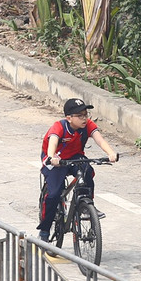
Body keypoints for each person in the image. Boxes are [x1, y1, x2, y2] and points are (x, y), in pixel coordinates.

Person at [37, 98, 118, 241]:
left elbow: (99, 140)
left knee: (87, 172)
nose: (84, 118)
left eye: (86, 114)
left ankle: (87, 205)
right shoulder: (59, 127)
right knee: (54, 194)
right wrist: (51, 157)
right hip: (56, 159)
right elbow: (53, 142)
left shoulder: (87, 126)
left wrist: (110, 153)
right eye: (80, 116)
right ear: (69, 118)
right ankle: (44, 230)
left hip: (75, 157)